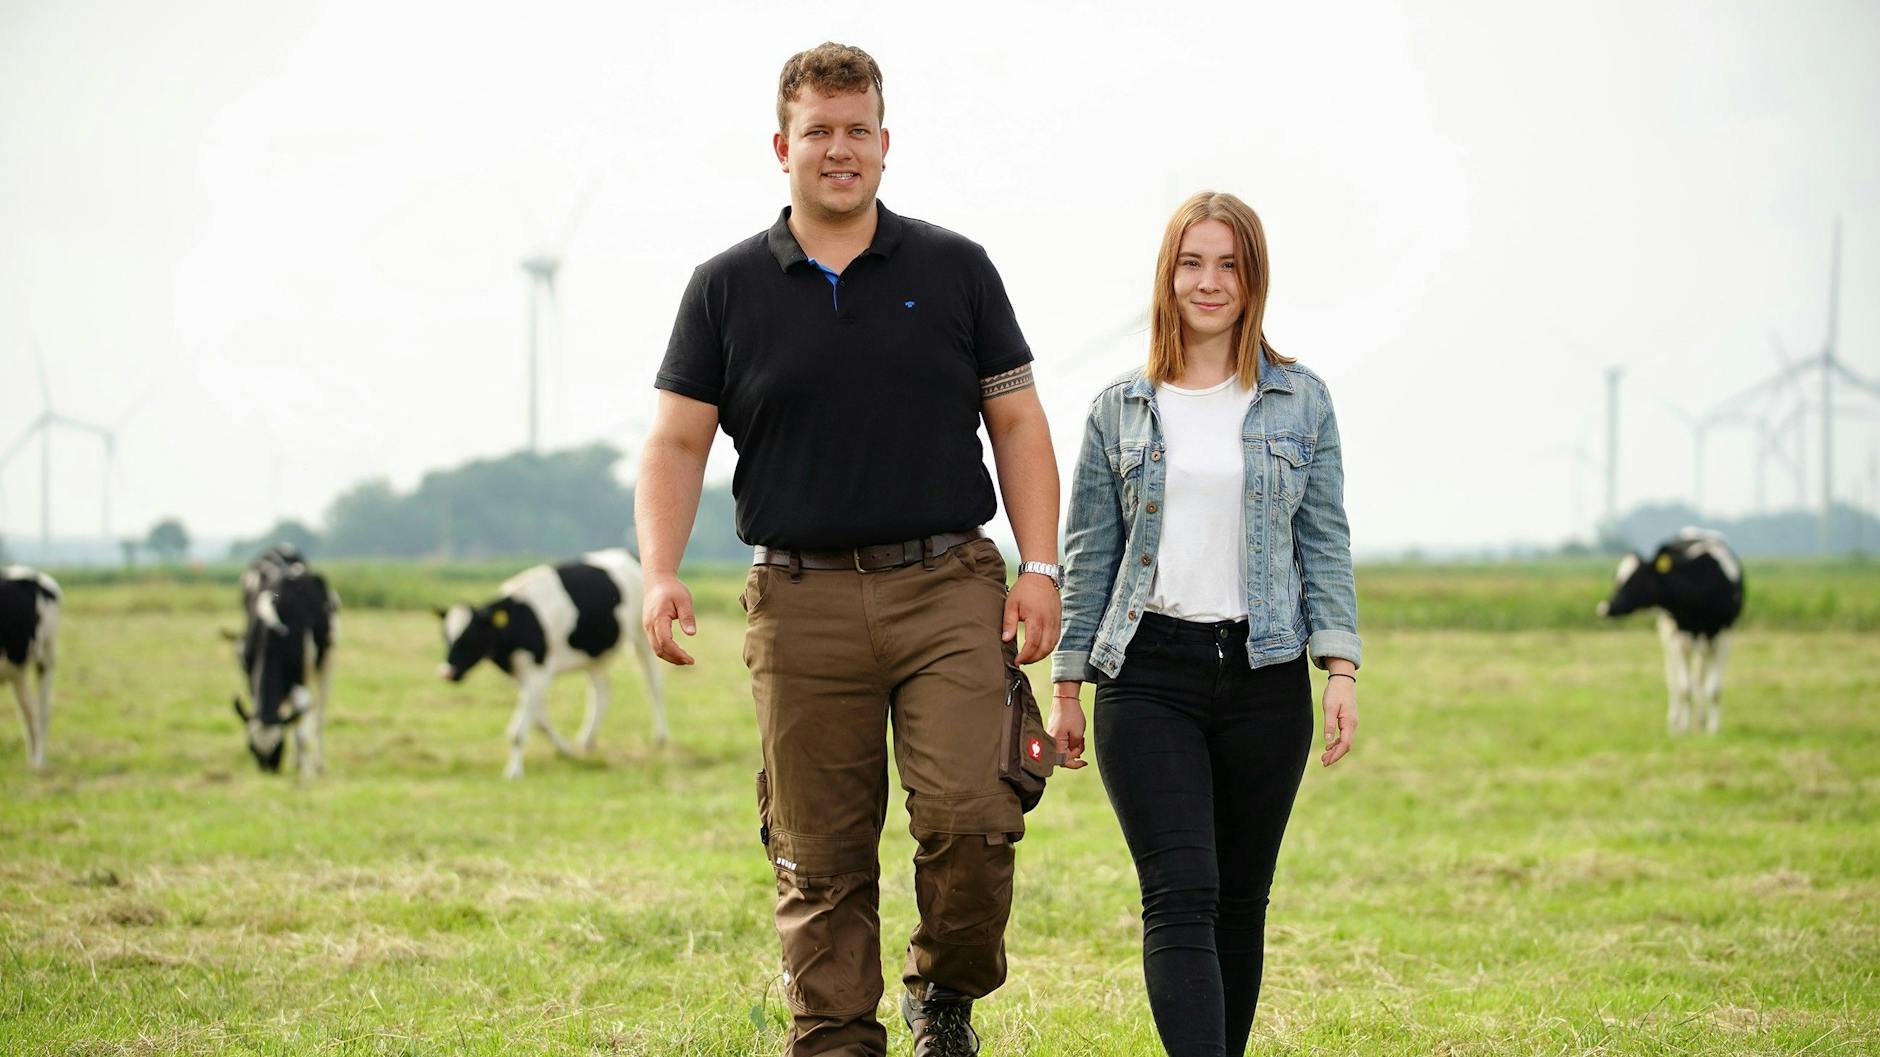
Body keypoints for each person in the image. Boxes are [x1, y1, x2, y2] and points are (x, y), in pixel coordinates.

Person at [635, 42, 1062, 1057]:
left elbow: (1017, 423)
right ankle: (833, 1041)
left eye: (856, 130)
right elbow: (675, 440)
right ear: (782, 146)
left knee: (972, 813)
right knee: (816, 855)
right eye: (818, 132)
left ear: (884, 142)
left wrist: (1039, 567)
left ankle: (944, 990)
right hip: (798, 599)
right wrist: (657, 570)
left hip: (947, 585)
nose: (839, 149)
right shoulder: (724, 288)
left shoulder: (954, 268)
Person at [1047, 191, 1360, 1057]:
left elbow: (1324, 540)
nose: (1209, 281)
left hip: (1266, 673)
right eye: (1193, 262)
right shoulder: (1121, 407)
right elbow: (1089, 551)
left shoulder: (1303, 401)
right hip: (1148, 673)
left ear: (1253, 276)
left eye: (1229, 263)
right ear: (1168, 273)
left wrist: (1340, 668)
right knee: (1180, 889)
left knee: (1240, 899)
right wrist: (1067, 685)